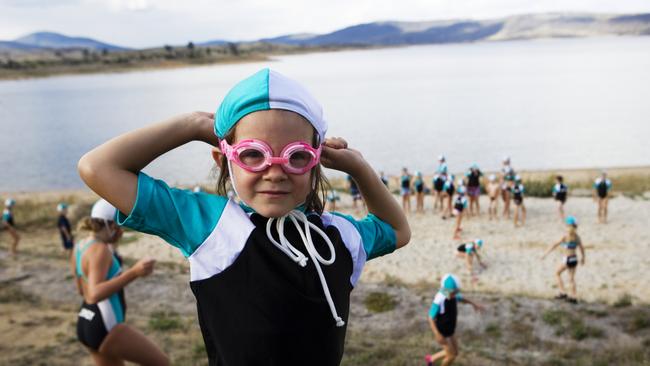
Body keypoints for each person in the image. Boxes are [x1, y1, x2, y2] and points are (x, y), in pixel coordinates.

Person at [77, 68, 411, 365]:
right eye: (253, 154)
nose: (275, 173)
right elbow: (97, 167)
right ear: (224, 161)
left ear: (315, 161)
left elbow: (397, 230)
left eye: (295, 157)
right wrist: (192, 124)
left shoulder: (338, 235)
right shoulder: (213, 227)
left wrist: (358, 167)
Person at [74, 199, 169, 365]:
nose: (122, 231)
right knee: (161, 362)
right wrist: (134, 272)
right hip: (105, 326)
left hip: (86, 320)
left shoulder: (80, 246)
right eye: (120, 225)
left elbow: (82, 289)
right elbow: (94, 294)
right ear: (110, 224)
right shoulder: (100, 250)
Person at [425, 274, 484, 366]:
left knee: (455, 352)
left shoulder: (452, 294)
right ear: (446, 290)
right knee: (451, 356)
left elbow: (461, 298)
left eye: (456, 292)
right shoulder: (439, 299)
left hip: (450, 329)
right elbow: (430, 317)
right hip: (442, 330)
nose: (454, 295)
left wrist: (474, 304)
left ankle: (430, 359)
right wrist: (437, 334)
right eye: (453, 292)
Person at [541, 216, 585, 304]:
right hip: (574, 259)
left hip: (567, 259)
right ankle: (574, 296)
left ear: (568, 225)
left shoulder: (565, 236)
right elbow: (582, 248)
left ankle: (562, 292)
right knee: (571, 279)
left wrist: (545, 254)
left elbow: (554, 244)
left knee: (557, 273)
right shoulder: (577, 237)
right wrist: (583, 258)